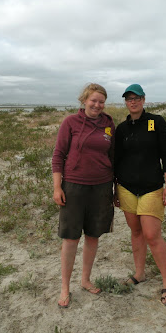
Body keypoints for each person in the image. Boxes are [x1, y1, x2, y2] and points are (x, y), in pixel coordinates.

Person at [52, 83, 115, 308]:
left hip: (101, 187)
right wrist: (57, 187)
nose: (97, 105)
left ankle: (86, 279)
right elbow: (58, 155)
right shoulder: (70, 122)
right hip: (74, 187)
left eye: (101, 101)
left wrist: (114, 189)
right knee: (71, 238)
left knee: (93, 236)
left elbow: (113, 156)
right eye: (93, 100)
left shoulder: (109, 124)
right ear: (84, 100)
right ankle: (65, 287)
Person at [114, 84, 166, 306]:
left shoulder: (156, 122)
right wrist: (115, 188)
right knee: (136, 231)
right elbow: (116, 161)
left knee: (152, 234)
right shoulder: (121, 129)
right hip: (127, 188)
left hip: (151, 187)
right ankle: (139, 273)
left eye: (137, 98)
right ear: (125, 102)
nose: (133, 101)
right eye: (129, 98)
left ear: (143, 99)